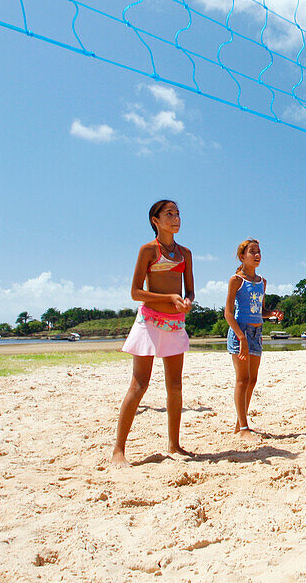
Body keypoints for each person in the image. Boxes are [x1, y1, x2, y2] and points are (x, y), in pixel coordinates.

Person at [112, 199, 194, 465]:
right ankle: (119, 451)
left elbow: (189, 289)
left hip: (174, 324)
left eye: (178, 213)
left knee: (175, 385)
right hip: (149, 322)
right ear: (155, 221)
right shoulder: (148, 250)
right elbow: (135, 292)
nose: (176, 218)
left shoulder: (185, 254)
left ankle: (174, 444)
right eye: (169, 214)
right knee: (139, 384)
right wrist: (170, 296)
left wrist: (187, 301)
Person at [224, 238, 275, 436]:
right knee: (242, 380)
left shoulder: (262, 282)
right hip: (241, 331)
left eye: (259, 251)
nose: (257, 255)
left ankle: (240, 424)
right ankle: (244, 427)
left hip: (257, 332)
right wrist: (241, 337)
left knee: (252, 380)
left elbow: (259, 311)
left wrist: (272, 314)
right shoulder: (236, 280)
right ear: (242, 256)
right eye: (252, 251)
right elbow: (228, 313)